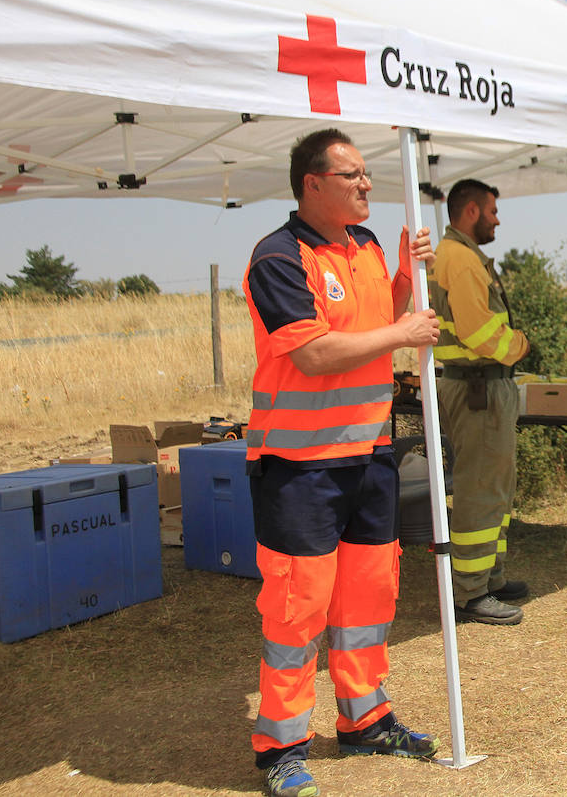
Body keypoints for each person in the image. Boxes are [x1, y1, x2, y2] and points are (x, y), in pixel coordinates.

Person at [243, 129, 442, 797]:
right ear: (312, 184)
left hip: (369, 455)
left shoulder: (365, 245)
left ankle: (365, 718)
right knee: (298, 611)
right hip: (301, 467)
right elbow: (316, 354)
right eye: (352, 175)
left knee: (366, 600)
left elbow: (373, 321)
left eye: (367, 175)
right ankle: (282, 748)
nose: (366, 185)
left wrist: (407, 282)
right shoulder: (277, 257)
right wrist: (406, 333)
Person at [429, 178, 531, 624]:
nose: (497, 219)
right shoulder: (462, 259)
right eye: (492, 211)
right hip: (479, 387)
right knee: (481, 488)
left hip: (477, 385)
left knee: (495, 486)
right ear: (471, 212)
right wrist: (521, 346)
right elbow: (478, 331)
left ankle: (489, 577)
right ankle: (469, 593)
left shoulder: (454, 254)